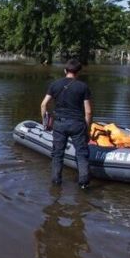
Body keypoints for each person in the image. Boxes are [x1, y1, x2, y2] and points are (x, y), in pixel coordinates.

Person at [40, 59, 93, 189]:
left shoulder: (55, 85)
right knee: (81, 154)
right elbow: (88, 111)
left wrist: (45, 121)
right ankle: (84, 184)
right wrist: (87, 128)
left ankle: (56, 183)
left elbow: (43, 104)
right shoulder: (83, 87)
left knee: (57, 154)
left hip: (59, 124)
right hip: (77, 124)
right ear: (79, 72)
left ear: (65, 71)